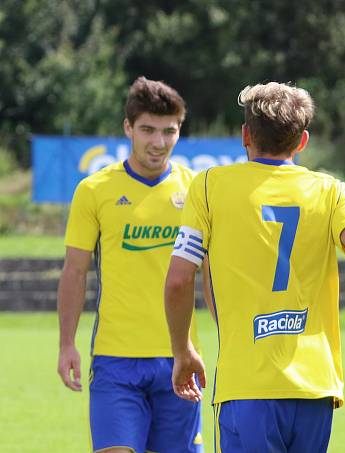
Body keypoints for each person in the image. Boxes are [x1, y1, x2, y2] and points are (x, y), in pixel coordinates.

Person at [164, 81, 345, 452]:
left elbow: (179, 281)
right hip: (315, 386)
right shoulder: (333, 192)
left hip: (247, 385)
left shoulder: (208, 186)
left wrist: (182, 351)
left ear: (245, 135)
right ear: (302, 141)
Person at [57, 77, 206, 453]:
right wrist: (66, 344)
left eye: (168, 131)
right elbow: (74, 272)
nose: (158, 142)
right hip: (115, 361)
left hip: (180, 358)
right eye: (147, 130)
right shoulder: (94, 190)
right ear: (128, 128)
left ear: (180, 129)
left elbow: (214, 276)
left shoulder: (197, 191)